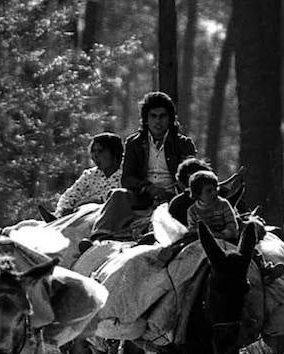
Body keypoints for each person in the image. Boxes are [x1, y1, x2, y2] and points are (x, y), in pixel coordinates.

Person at [82, 91, 197, 244]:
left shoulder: (184, 144)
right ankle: (97, 238)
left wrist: (170, 193)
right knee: (117, 194)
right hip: (143, 196)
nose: (158, 121)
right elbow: (127, 178)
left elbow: (192, 178)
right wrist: (147, 187)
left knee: (187, 204)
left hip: (173, 197)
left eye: (162, 116)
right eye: (153, 116)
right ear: (146, 119)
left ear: (170, 119)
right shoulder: (133, 143)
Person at [56, 133, 124, 217]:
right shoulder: (90, 175)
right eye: (93, 151)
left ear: (115, 153)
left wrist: (89, 202)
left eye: (100, 151)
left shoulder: (127, 174)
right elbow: (69, 196)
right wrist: (62, 211)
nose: (95, 156)